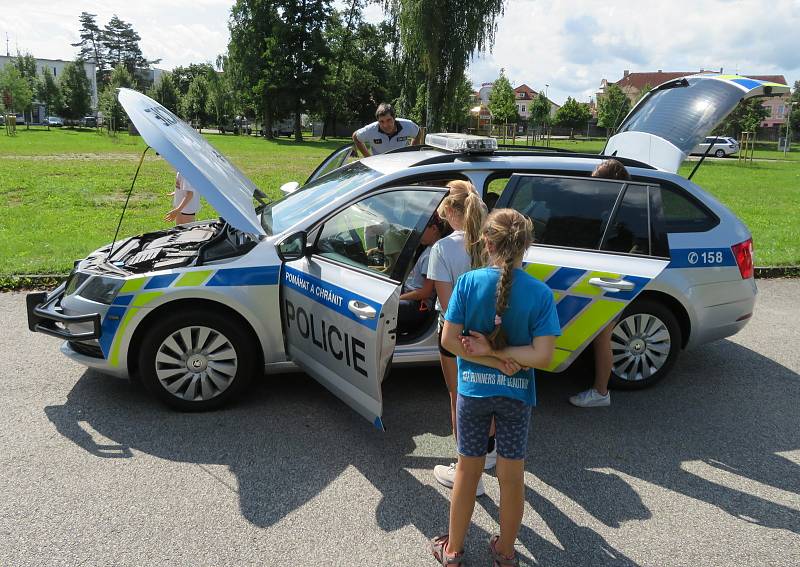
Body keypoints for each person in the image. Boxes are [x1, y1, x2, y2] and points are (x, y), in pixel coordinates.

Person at [430, 208, 560, 566]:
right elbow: (544, 355)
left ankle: (453, 550)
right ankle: (505, 551)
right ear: (526, 246)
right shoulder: (540, 293)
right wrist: (501, 358)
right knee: (511, 475)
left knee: (467, 470)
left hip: (472, 392)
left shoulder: (469, 284)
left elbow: (450, 341)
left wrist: (488, 354)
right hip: (516, 397)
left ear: (486, 242)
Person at [427, 180, 493, 494]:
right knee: (491, 396)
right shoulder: (494, 242)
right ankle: (490, 452)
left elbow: (447, 303)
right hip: (492, 332)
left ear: (453, 213)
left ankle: (469, 474)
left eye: (443, 215)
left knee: (460, 399)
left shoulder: (442, 249)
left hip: (457, 336)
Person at [569, 159, 631, 408]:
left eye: (597, 181)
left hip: (611, 279)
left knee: (603, 336)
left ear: (610, 183)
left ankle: (601, 392)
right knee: (599, 336)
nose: (592, 185)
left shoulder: (624, 210)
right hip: (607, 276)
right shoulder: (617, 203)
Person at [398, 212, 446, 333]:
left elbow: (425, 292)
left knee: (384, 310)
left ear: (434, 229)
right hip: (410, 296)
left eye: (422, 228)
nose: (418, 232)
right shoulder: (429, 249)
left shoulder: (431, 254)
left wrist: (397, 299)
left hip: (417, 305)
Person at [352, 103, 422, 157]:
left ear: (394, 118)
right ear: (377, 121)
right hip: (380, 166)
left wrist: (413, 152)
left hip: (402, 163)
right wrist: (368, 157)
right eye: (381, 121)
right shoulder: (371, 129)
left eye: (389, 120)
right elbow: (355, 136)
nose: (385, 125)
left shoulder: (407, 125)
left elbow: (418, 132)